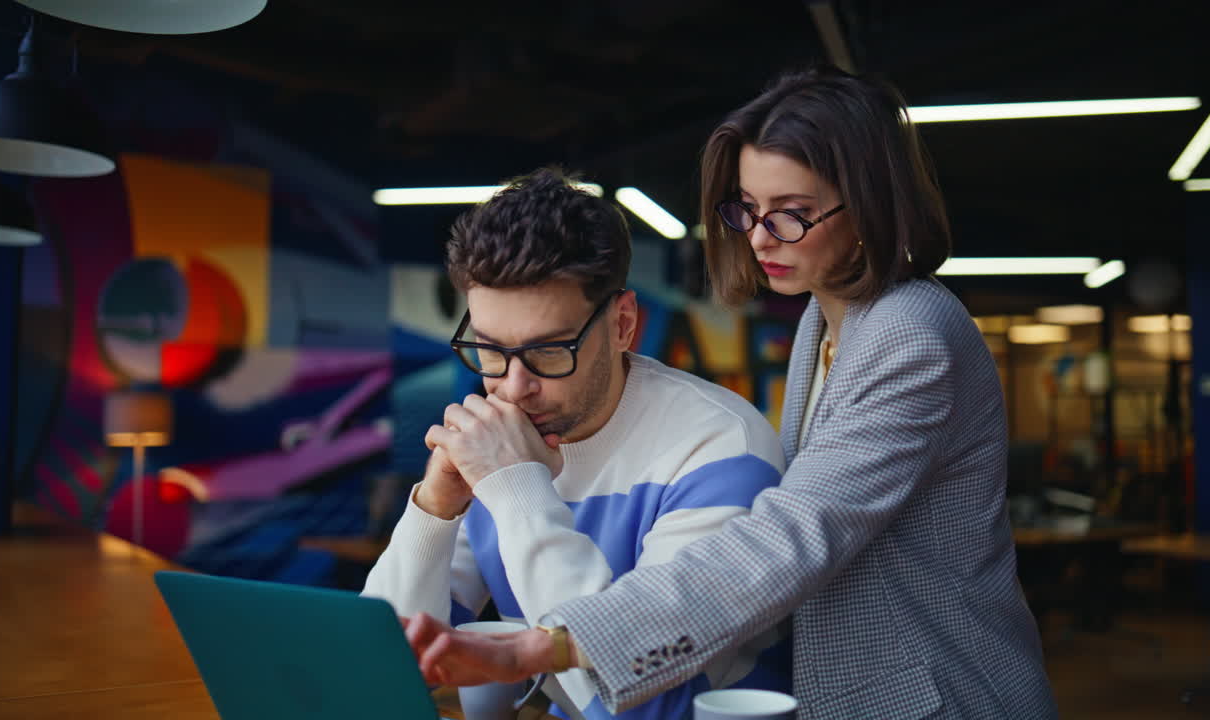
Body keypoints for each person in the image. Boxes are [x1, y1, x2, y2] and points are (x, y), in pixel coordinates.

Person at [405, 66, 1059, 719]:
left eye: (793, 215)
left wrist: (545, 648)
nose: (760, 237)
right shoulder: (825, 322)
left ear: (869, 205)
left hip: (939, 695)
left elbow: (790, 537)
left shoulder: (910, 335)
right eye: (748, 208)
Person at [361, 168, 792, 720]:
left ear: (622, 325)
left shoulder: (721, 449)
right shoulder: (499, 438)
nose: (514, 387)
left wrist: (518, 489)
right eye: (490, 351)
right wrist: (434, 510)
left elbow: (645, 707)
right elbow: (383, 669)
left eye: (548, 352)